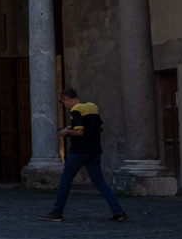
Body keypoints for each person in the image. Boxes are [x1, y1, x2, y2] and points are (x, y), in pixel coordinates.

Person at [41, 87, 125, 222]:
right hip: (95, 149)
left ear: (67, 99)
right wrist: (72, 128)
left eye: (64, 103)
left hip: (79, 150)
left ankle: (57, 212)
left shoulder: (75, 110)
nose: (66, 107)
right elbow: (100, 127)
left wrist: (66, 132)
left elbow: (80, 132)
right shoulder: (93, 106)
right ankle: (118, 211)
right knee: (99, 182)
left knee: (66, 180)